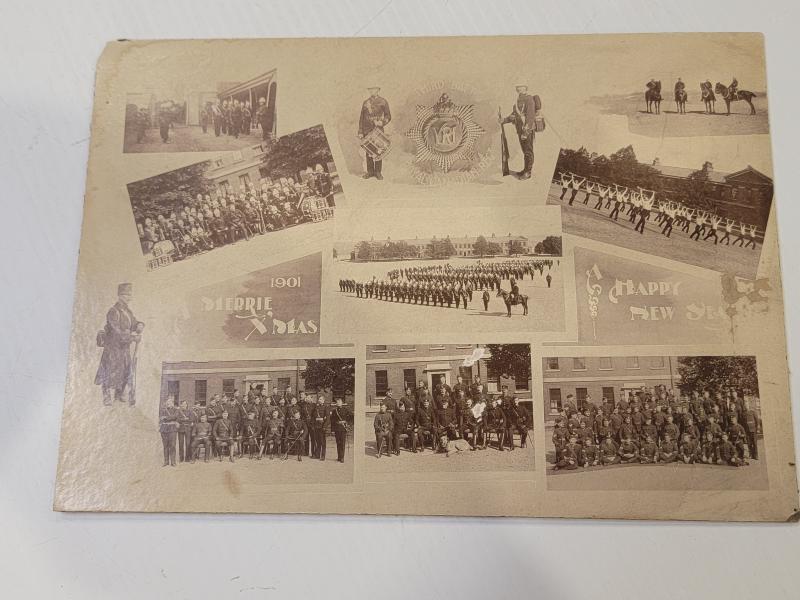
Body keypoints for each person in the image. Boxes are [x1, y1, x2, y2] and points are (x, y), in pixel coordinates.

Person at [95, 283, 144, 406]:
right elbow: (116, 332)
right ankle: (106, 396)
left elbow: (133, 323)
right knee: (109, 371)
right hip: (113, 347)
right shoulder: (113, 311)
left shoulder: (127, 311)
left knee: (126, 370)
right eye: (127, 295)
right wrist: (132, 337)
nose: (129, 297)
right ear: (120, 295)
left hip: (124, 347)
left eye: (129, 294)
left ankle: (118, 394)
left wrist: (139, 325)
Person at [500, 84, 541, 179]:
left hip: (527, 130)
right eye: (518, 87)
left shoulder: (529, 99)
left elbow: (530, 116)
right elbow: (513, 116)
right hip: (519, 129)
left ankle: (528, 172)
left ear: (526, 88)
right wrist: (504, 120)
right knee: (525, 150)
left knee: (528, 151)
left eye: (521, 87)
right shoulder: (517, 101)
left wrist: (526, 132)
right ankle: (525, 169)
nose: (519, 89)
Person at [358, 86, 391, 180]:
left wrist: (382, 122)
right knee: (368, 151)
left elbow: (388, 116)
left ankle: (378, 172)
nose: (372, 91)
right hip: (367, 130)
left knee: (378, 151)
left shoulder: (383, 101)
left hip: (378, 130)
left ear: (378, 90)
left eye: (374, 89)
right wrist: (360, 131)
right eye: (370, 89)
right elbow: (361, 118)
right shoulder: (365, 103)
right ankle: (370, 172)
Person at [159, 396, 179, 467]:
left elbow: (175, 417)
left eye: (169, 403)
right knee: (165, 446)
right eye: (167, 403)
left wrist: (166, 418)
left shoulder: (176, 410)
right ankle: (166, 461)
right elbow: (161, 418)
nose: (168, 404)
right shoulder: (163, 410)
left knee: (173, 445)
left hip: (172, 429)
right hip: (164, 429)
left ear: (172, 403)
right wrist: (167, 418)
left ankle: (173, 462)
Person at [331, 398, 351, 463]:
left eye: (340, 402)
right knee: (338, 443)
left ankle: (342, 457)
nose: (338, 403)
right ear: (336, 403)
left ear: (342, 403)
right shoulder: (334, 411)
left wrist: (348, 424)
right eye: (337, 402)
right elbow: (332, 421)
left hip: (343, 428)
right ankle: (339, 456)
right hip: (337, 428)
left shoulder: (345, 410)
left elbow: (351, 417)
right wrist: (332, 430)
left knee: (342, 443)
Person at [310, 394, 330, 460]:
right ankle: (317, 455)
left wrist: (324, 427)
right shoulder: (316, 407)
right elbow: (313, 417)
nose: (319, 400)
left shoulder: (326, 407)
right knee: (317, 441)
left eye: (321, 399)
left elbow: (327, 419)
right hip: (316, 426)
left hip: (322, 427)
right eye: (319, 399)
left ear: (323, 400)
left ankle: (323, 456)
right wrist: (313, 425)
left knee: (322, 442)